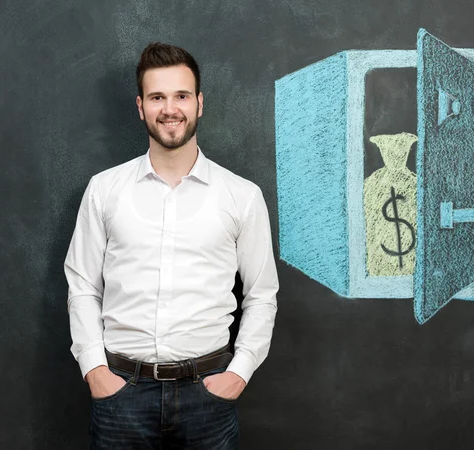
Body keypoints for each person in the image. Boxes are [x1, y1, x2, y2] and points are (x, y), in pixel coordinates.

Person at [64, 42, 279, 449]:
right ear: (140, 106)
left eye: (181, 95)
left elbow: (262, 294)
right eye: (157, 97)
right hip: (120, 395)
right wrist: (95, 369)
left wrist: (240, 371)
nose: (170, 108)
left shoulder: (241, 196)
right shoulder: (104, 190)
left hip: (208, 396)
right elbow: (82, 286)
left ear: (199, 103)